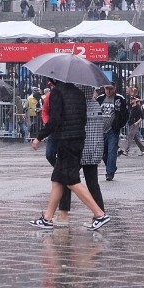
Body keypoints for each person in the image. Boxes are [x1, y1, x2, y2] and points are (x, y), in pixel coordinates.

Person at [28, 79, 111, 231]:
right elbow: (83, 119)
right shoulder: (78, 93)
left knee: (71, 180)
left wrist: (39, 137)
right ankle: (47, 218)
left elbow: (54, 121)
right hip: (78, 140)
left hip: (66, 140)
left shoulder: (57, 93)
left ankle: (99, 214)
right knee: (57, 179)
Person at [53, 85, 106, 228]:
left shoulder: (77, 105)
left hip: (77, 149)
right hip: (94, 150)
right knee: (93, 183)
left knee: (66, 180)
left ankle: (64, 214)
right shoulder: (96, 105)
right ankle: (99, 213)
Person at [97, 82, 129, 181]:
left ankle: (110, 172)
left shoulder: (120, 98)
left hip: (112, 130)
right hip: (101, 130)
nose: (109, 91)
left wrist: (118, 125)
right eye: (107, 89)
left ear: (115, 88)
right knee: (102, 152)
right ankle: (111, 167)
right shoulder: (100, 98)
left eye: (111, 89)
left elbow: (125, 114)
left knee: (111, 151)